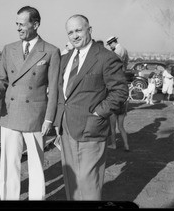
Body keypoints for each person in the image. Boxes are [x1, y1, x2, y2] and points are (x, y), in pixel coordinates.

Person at [0, 6, 60, 200]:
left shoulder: (51, 51)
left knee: (36, 164)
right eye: (16, 24)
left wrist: (49, 119)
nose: (18, 28)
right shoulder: (8, 49)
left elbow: (54, 89)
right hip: (9, 113)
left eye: (22, 24)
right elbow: (1, 81)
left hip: (36, 116)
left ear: (35, 24)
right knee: (9, 163)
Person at [54, 14, 128, 200]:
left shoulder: (106, 57)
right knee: (71, 182)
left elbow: (120, 91)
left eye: (78, 30)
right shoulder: (66, 58)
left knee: (88, 184)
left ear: (90, 30)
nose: (74, 35)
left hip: (91, 129)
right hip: (66, 130)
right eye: (70, 32)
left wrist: (98, 113)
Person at [106, 36, 130, 152]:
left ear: (112, 43)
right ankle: (126, 145)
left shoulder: (117, 51)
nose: (110, 47)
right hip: (123, 97)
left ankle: (114, 144)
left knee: (112, 126)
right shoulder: (124, 49)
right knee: (121, 127)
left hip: (115, 96)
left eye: (109, 44)